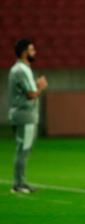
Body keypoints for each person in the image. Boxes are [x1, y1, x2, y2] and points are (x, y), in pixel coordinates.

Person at [8, 38, 48, 193]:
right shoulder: (21, 70)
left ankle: (19, 182)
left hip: (19, 113)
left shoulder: (18, 69)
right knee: (23, 149)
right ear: (25, 52)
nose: (34, 52)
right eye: (32, 50)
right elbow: (31, 94)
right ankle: (19, 184)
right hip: (25, 114)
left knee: (22, 149)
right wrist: (40, 87)